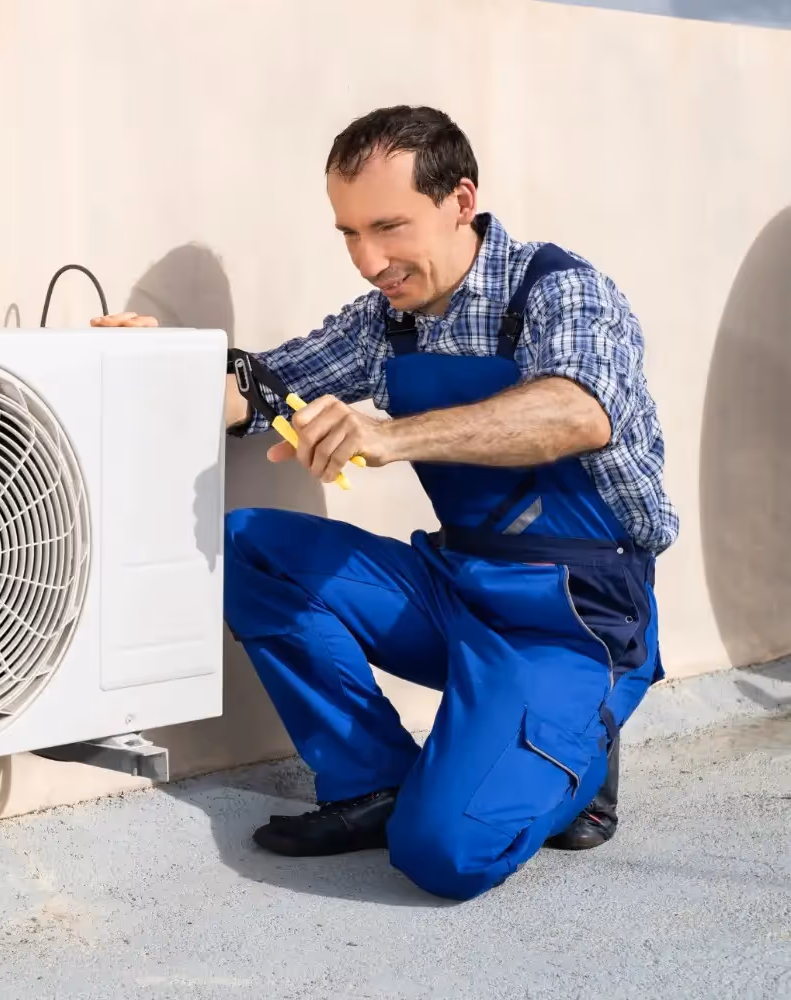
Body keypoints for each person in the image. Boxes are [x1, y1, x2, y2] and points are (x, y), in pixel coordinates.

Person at [92, 105, 676, 901]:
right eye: (349, 234)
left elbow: (575, 410)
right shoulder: (387, 321)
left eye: (390, 228)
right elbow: (260, 388)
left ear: (461, 202)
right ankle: (373, 779)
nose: (370, 261)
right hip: (455, 588)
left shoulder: (560, 289)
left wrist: (394, 437)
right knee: (249, 547)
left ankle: (577, 753)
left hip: (573, 616)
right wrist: (148, 367)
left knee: (443, 856)